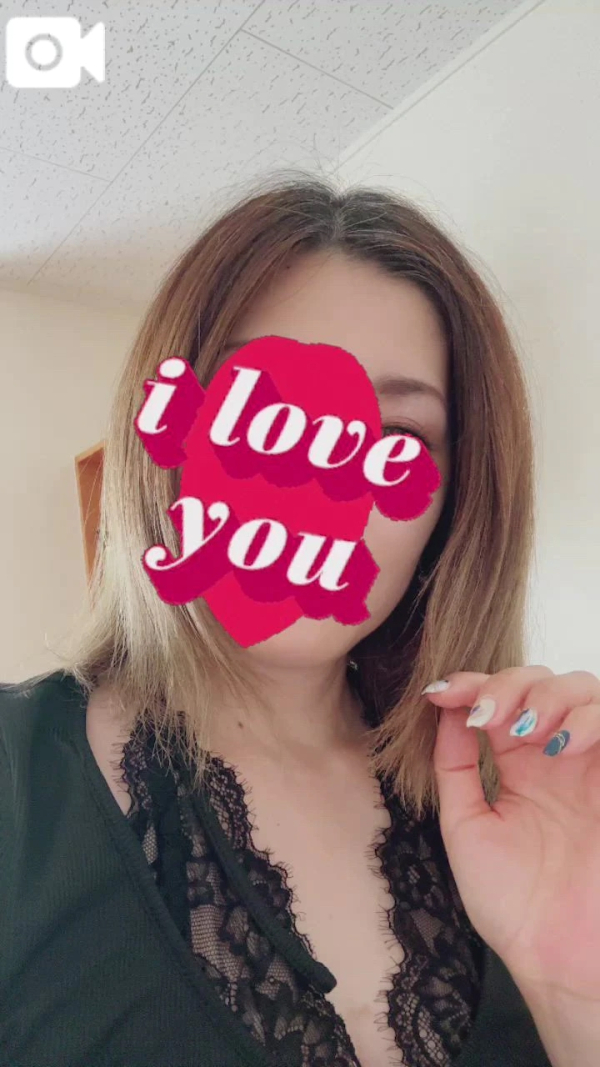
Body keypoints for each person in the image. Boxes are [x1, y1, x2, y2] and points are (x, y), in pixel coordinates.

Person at [1, 175, 599, 1067]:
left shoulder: (522, 806)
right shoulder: (15, 785)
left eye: (396, 439)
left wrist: (572, 991)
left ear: (454, 504)